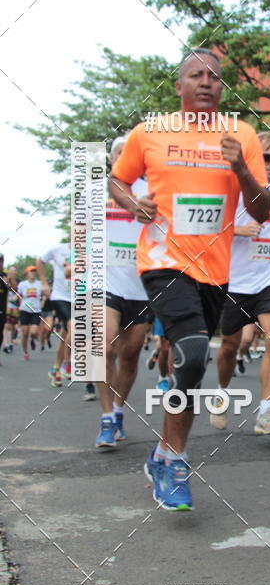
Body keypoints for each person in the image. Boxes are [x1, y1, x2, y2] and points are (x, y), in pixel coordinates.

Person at [109, 47, 270, 511]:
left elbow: (261, 210)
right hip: (163, 261)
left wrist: (241, 169)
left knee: (191, 368)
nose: (206, 82)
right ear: (179, 85)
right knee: (194, 350)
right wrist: (132, 204)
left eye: (214, 76)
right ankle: (178, 462)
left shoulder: (242, 134)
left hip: (214, 271)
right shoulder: (150, 132)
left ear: (222, 86)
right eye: (196, 75)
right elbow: (117, 180)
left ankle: (163, 452)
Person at [216, 132, 270, 434]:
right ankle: (222, 393)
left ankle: (265, 412)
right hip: (235, 279)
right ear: (252, 155)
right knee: (230, 345)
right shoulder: (230, 184)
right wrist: (237, 230)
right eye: (267, 157)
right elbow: (208, 225)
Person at [95, 136, 152, 449]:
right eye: (119, 152)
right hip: (105, 281)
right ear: (111, 158)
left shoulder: (150, 189)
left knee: (130, 355)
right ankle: (106, 418)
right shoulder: (96, 191)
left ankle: (118, 410)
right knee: (104, 346)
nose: (123, 156)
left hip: (140, 283)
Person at [37, 243, 71, 387]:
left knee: (66, 334)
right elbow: (40, 261)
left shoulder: (91, 249)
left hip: (80, 297)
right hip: (60, 296)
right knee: (73, 326)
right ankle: (67, 363)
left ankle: (56, 368)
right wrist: (44, 283)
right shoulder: (58, 250)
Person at [17, 266, 44, 360]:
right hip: (24, 310)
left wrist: (43, 302)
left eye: (34, 271)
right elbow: (19, 295)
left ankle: (32, 339)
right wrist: (16, 299)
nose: (33, 273)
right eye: (31, 271)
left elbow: (44, 295)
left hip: (36, 310)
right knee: (25, 332)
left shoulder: (39, 284)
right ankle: (25, 352)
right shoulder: (22, 284)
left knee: (33, 332)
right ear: (27, 273)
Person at [3, 266, 19, 355]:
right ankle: (6, 344)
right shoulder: (4, 280)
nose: (12, 272)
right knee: (6, 326)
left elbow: (19, 293)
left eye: (14, 271)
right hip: (6, 307)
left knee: (13, 326)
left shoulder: (18, 282)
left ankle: (11, 341)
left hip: (15, 307)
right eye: (11, 270)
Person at [0, 255, 8, 359]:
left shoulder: (5, 276)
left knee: (0, 333)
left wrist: (8, 283)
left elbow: (13, 288)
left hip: (2, 310)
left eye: (1, 262)